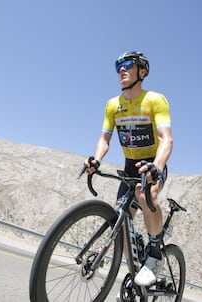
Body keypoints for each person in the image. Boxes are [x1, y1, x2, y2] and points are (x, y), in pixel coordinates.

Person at [84, 51, 173, 289]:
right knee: (120, 222)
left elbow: (167, 139)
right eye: (118, 67)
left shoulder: (155, 100)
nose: (121, 69)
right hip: (128, 167)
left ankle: (155, 254)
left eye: (127, 65)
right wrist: (97, 160)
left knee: (146, 195)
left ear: (141, 71)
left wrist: (158, 166)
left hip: (152, 162)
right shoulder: (113, 105)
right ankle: (136, 265)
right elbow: (104, 139)